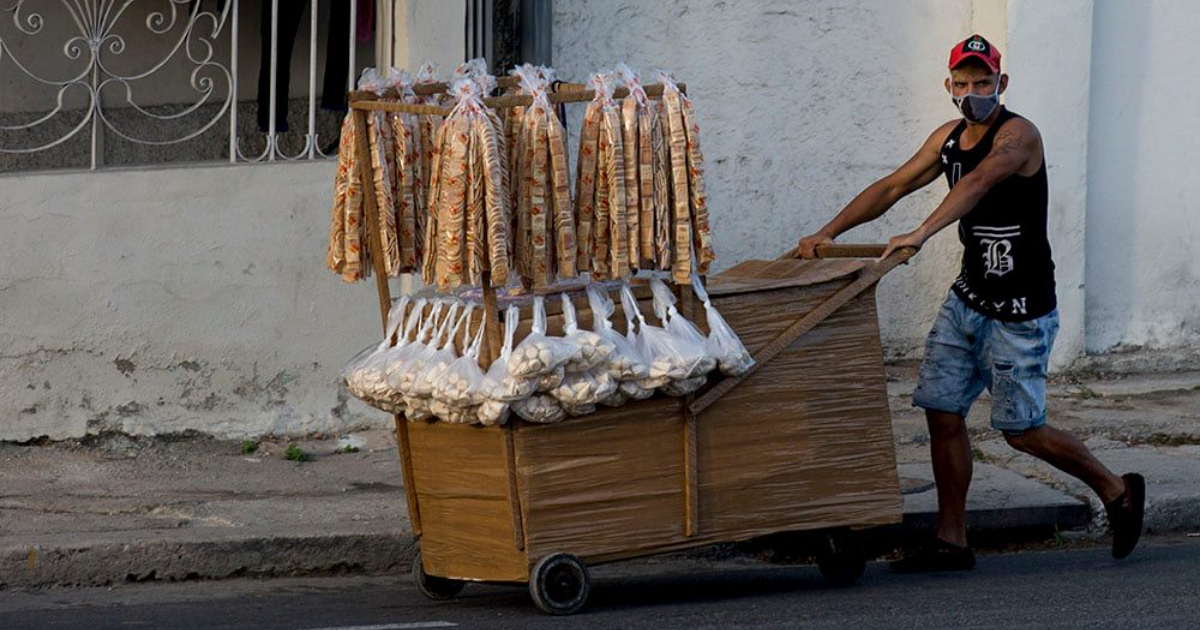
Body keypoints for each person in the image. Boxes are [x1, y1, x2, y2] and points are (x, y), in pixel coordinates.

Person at [797, 34, 1145, 572]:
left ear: (1001, 84)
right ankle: (951, 540)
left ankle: (1116, 488)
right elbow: (892, 187)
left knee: (1021, 430)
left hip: (1021, 311)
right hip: (969, 300)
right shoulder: (948, 139)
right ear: (949, 86)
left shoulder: (1019, 136)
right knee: (941, 411)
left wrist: (922, 232)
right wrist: (827, 232)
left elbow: (981, 182)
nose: (973, 92)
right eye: (963, 83)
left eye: (983, 82)